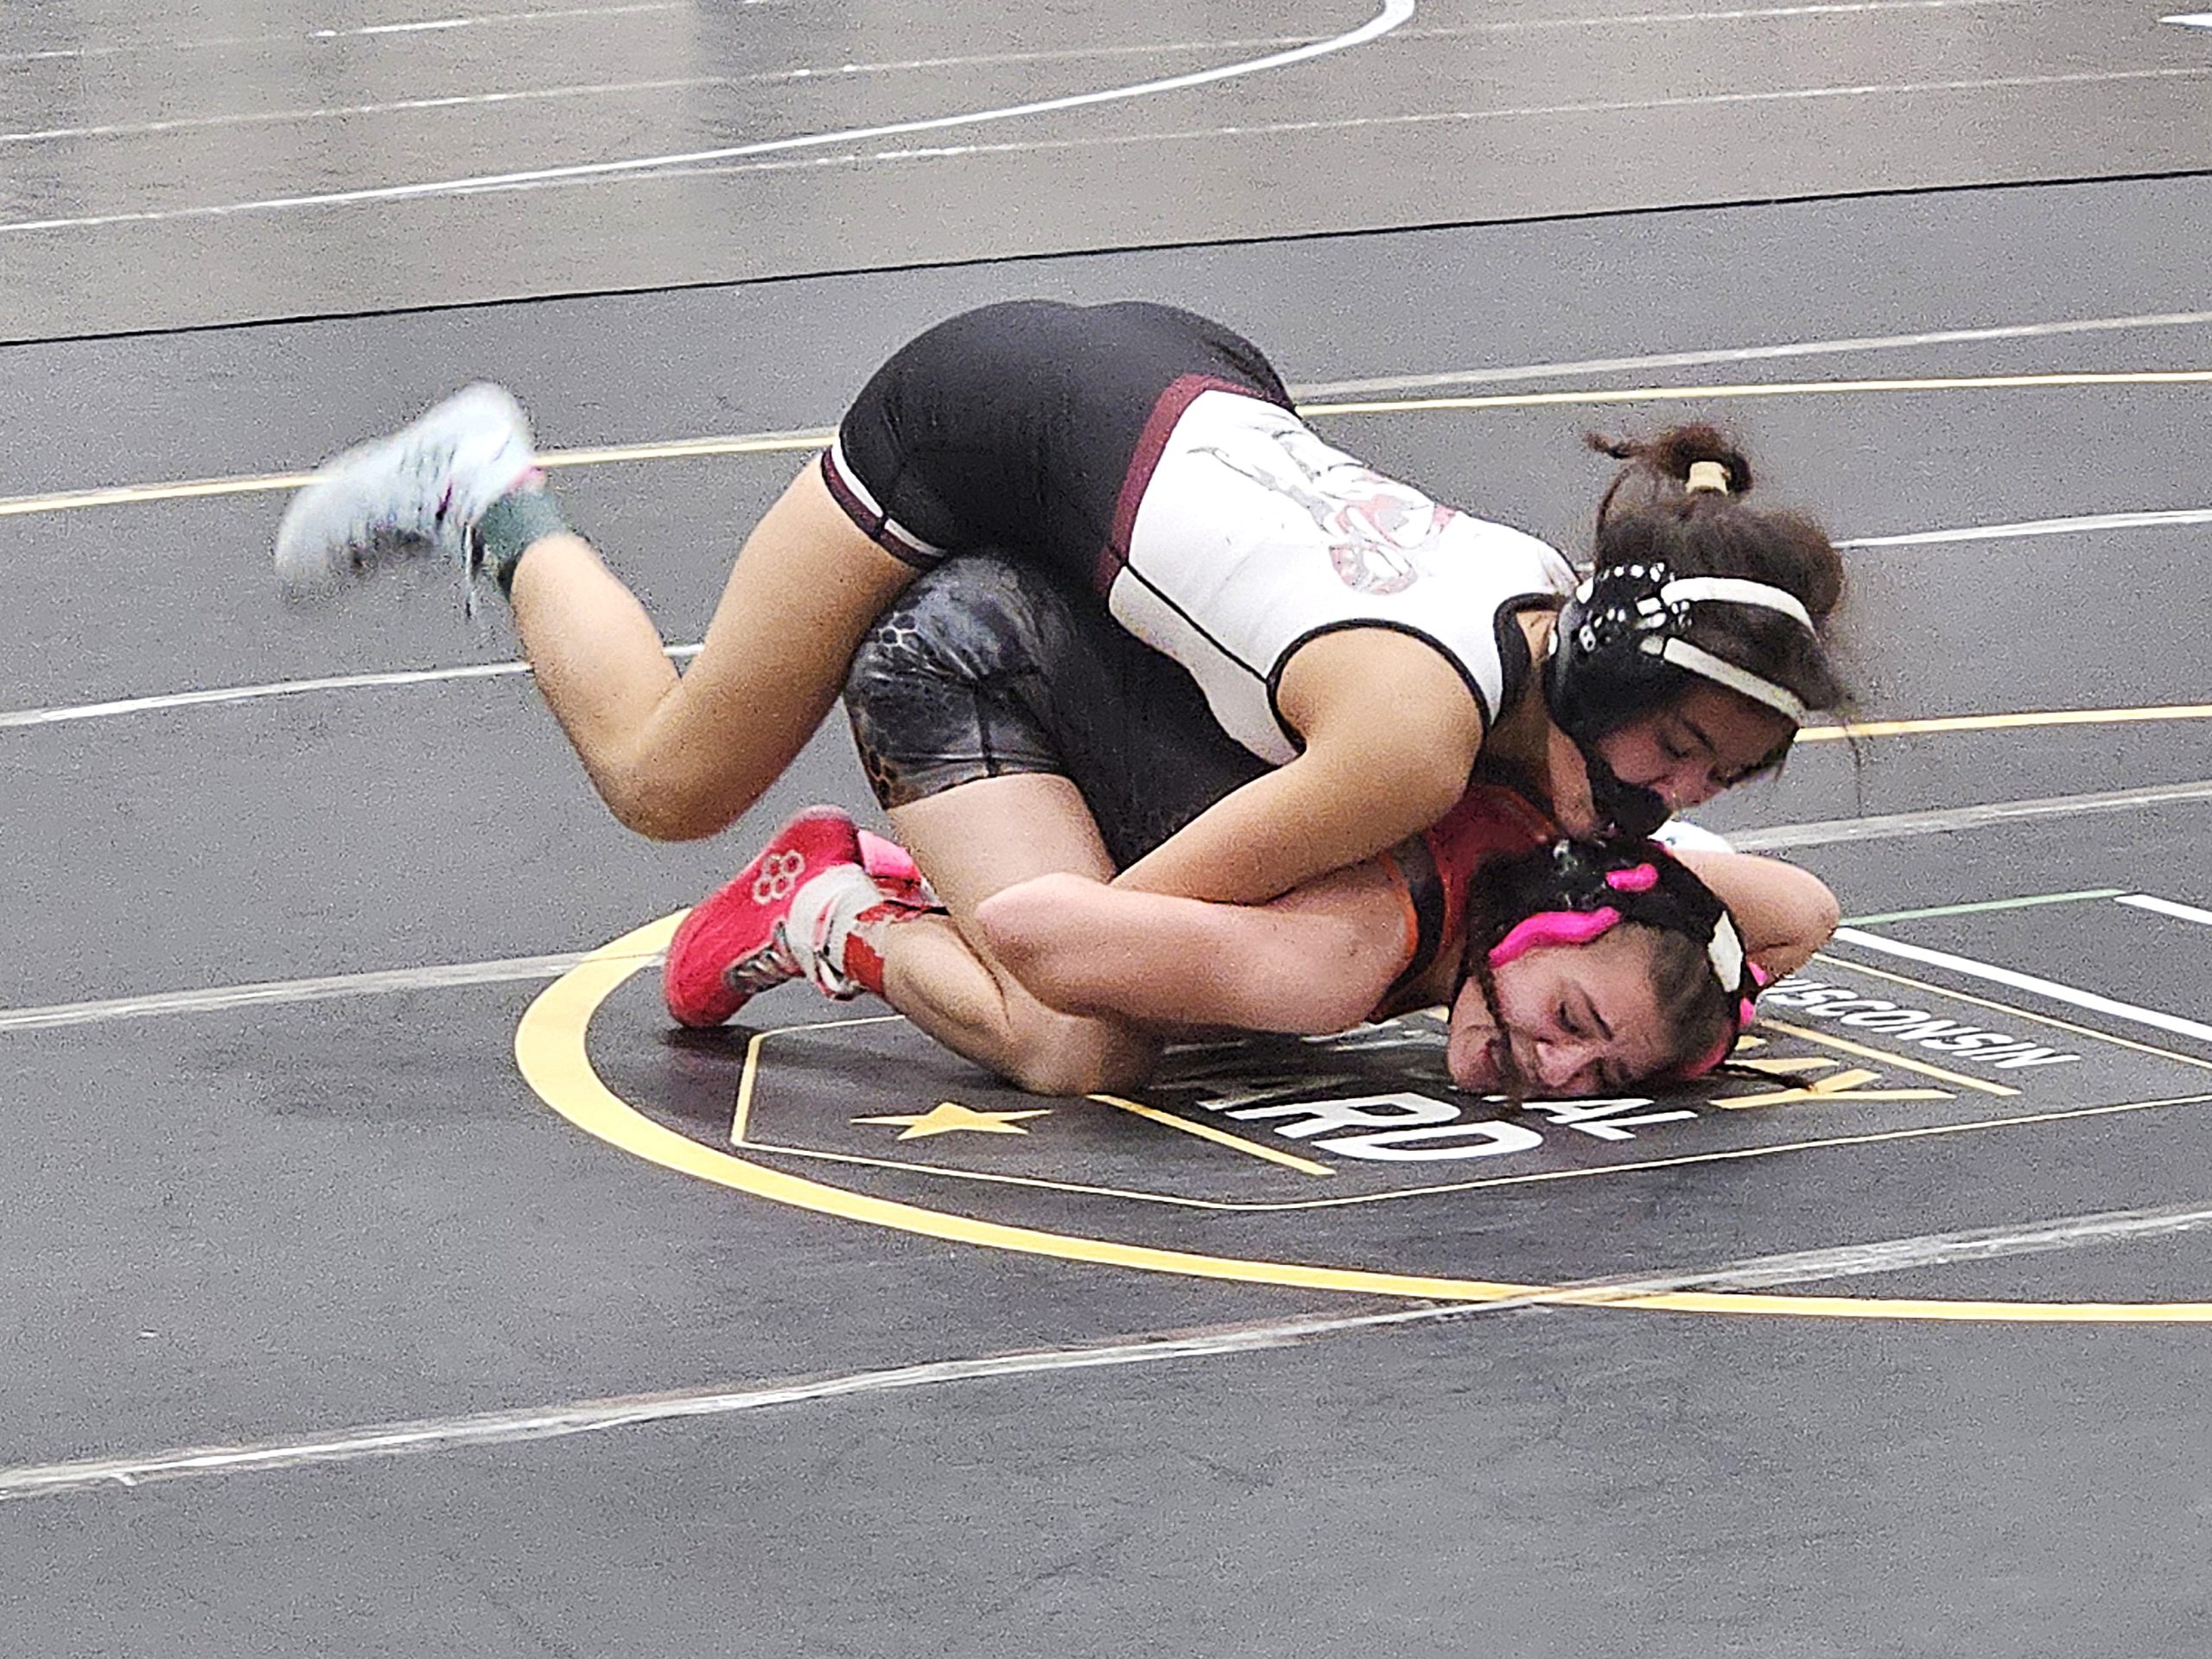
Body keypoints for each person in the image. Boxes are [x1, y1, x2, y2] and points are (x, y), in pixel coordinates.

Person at [273, 299, 1848, 918]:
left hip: (1194, 399)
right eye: (1681, 751)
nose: (1681, 799)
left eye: (1719, 778)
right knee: (671, 779)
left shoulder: (1563, 628)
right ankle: (487, 493)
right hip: (983, 420)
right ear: (1612, 665)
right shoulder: (1414, 739)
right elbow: (1132, 913)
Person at [658, 552, 1839, 1097]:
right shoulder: (1339, 957)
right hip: (980, 657)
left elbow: (1798, 917)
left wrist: (1667, 972)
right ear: (1553, 923)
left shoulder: (1563, 848)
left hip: (1111, 662)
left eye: (1610, 1075)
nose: (1557, 1069)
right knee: (1085, 1045)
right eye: (1575, 1023)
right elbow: (1035, 930)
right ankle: (837, 903)